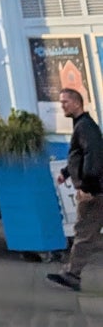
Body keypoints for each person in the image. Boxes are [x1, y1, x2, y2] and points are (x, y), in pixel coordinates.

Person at [48, 85, 103, 291]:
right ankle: (72, 270)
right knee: (85, 231)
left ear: (77, 103)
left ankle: (73, 274)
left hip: (94, 191)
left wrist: (87, 187)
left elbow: (94, 155)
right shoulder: (82, 125)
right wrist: (66, 172)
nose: (62, 106)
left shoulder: (85, 126)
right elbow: (79, 155)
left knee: (85, 232)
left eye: (65, 102)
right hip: (94, 188)